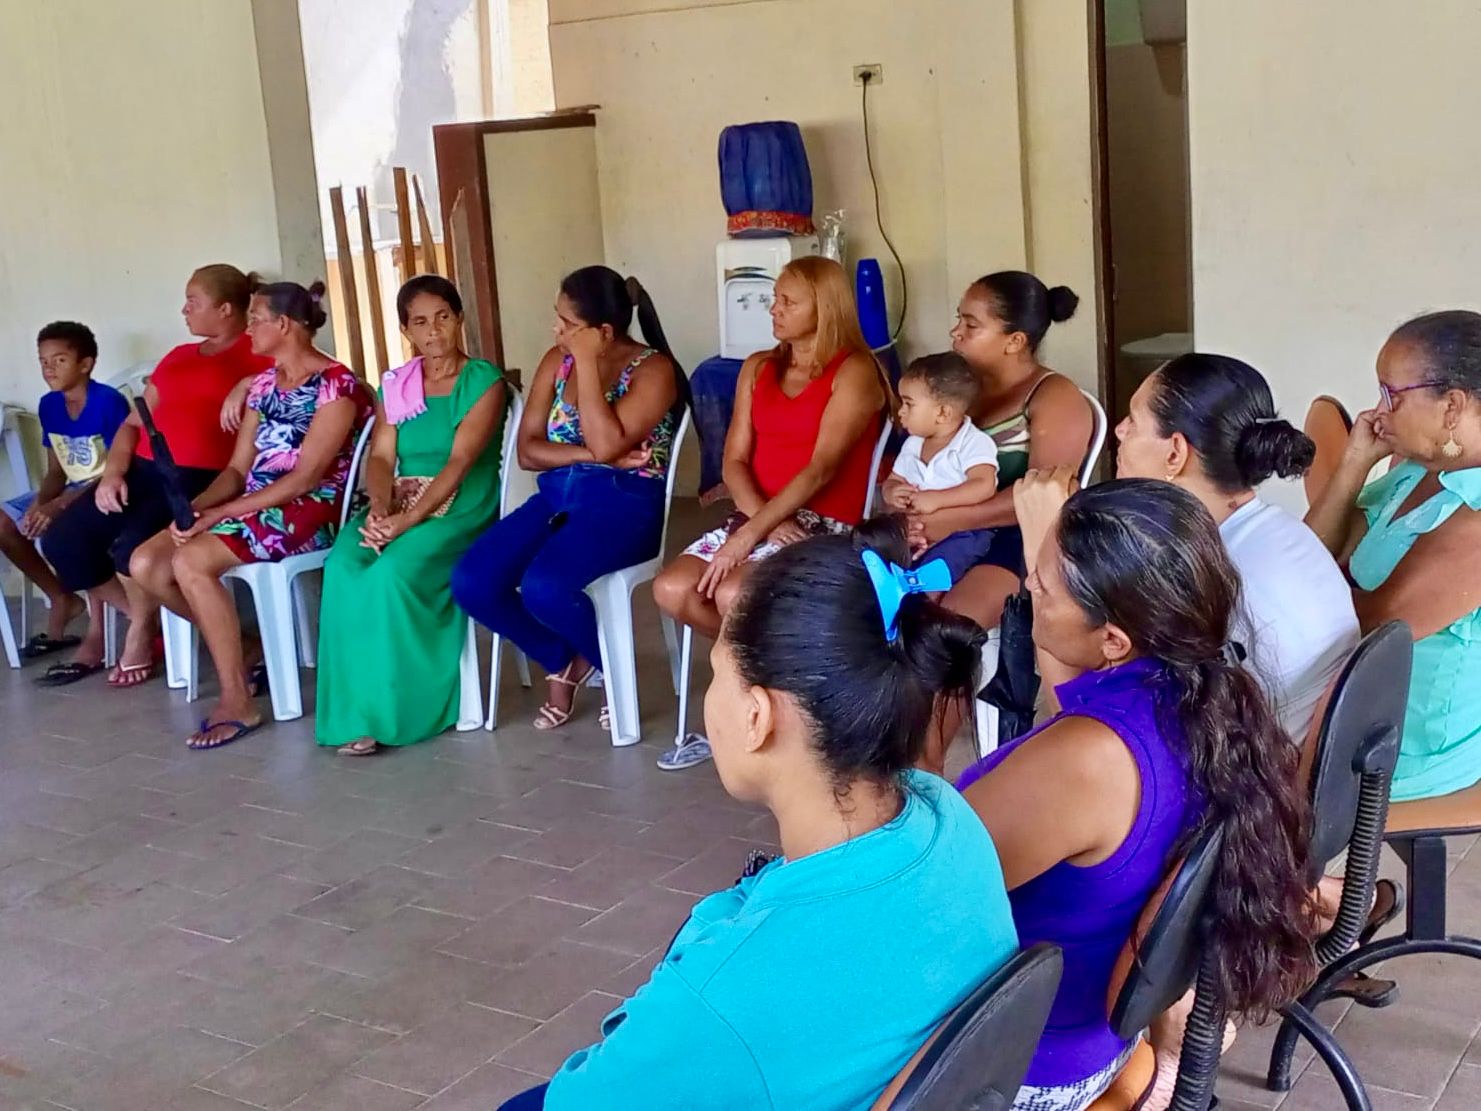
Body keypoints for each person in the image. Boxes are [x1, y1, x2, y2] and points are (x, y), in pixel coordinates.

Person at [497, 530, 1018, 1111]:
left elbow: (576, 1100)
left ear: (756, 716)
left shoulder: (722, 999)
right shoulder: (945, 813)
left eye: (717, 673)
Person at [956, 476, 1318, 1111]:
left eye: (1044, 583)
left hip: (1019, 1063)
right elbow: (1071, 683)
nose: (1028, 584)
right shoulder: (1197, 699)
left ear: (1114, 640)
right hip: (1086, 1033)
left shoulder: (1087, 760)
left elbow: (926, 898)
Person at [652, 256, 886, 769]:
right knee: (671, 589)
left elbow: (821, 470)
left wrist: (755, 532)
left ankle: (749, 711)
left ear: (824, 308)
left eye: (787, 302)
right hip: (758, 516)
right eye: (774, 299)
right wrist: (762, 524)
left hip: (823, 525)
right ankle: (783, 680)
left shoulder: (856, 371)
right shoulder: (758, 367)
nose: (773, 310)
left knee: (735, 593)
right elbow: (733, 462)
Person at [127, 280, 370, 749]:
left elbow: (304, 479)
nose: (249, 330)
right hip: (254, 502)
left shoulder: (336, 386)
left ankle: (238, 699)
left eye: (256, 320)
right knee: (147, 564)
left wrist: (221, 513)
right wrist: (197, 507)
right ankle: (246, 647)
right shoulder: (262, 386)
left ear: (285, 325)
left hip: (308, 508)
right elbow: (238, 470)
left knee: (189, 560)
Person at [450, 266, 684, 733]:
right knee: (473, 580)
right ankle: (565, 658)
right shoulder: (556, 362)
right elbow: (528, 451)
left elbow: (607, 441)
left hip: (625, 504)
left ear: (603, 332)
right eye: (556, 317)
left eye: (568, 323)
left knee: (545, 586)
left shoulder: (654, 370)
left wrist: (589, 366)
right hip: (558, 496)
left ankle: (612, 673)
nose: (556, 329)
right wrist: (592, 456)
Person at [38, 264, 271, 686]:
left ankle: (146, 632)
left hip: (201, 479)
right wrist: (113, 473)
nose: (184, 310)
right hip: (143, 470)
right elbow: (133, 424)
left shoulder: (259, 351)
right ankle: (150, 620)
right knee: (62, 540)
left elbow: (310, 375)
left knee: (131, 552)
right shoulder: (178, 356)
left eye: (193, 302)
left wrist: (251, 381)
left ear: (224, 309)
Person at [1113, 353, 1359, 742]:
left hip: (1265, 771)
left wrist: (1048, 543)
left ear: (1175, 453)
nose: (1119, 430)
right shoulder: (1283, 531)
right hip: (1308, 753)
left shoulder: (1205, 574)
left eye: (1133, 420)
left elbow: (1117, 722)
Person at [315, 276, 506, 755]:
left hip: (462, 503)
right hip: (402, 498)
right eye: (420, 322)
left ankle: (401, 710)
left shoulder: (482, 382)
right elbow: (382, 457)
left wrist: (408, 521)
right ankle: (354, 714)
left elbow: (460, 463)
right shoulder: (398, 384)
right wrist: (381, 508)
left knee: (393, 571)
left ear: (459, 318)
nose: (434, 331)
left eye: (443, 317)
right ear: (406, 330)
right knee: (343, 565)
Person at [913, 271, 1095, 772]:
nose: (956, 332)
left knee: (948, 630)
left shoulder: (1053, 397)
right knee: (884, 610)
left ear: (1015, 341)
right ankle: (883, 746)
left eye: (971, 324)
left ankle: (926, 767)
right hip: (949, 533)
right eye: (959, 320)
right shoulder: (957, 392)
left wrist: (952, 520)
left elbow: (1041, 492)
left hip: (1020, 540)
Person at [1307, 310, 1481, 802]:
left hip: (1400, 746)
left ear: (1452, 406)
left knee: (1218, 764)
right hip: (1351, 700)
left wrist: (1296, 591)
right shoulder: (1418, 471)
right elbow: (1315, 554)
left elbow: (1373, 628)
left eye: (1391, 395)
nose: (1378, 413)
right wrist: (1355, 462)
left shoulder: (1476, 517)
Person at [1, 322, 129, 662]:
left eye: (59, 360)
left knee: (72, 532)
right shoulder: (49, 405)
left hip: (107, 488)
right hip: (70, 488)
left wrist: (57, 506)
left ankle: (108, 627)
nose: (49, 369)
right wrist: (41, 503)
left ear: (85, 364)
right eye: (43, 361)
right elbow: (57, 470)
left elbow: (120, 469)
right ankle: (61, 597)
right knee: (4, 523)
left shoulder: (108, 402)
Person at [881, 351, 1000, 581]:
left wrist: (938, 499)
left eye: (908, 404)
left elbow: (984, 485)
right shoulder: (913, 443)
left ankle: (927, 594)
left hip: (963, 531)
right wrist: (892, 491)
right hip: (915, 529)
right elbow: (894, 479)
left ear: (943, 413)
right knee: (882, 547)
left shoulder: (973, 442)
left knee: (946, 560)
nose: (901, 411)